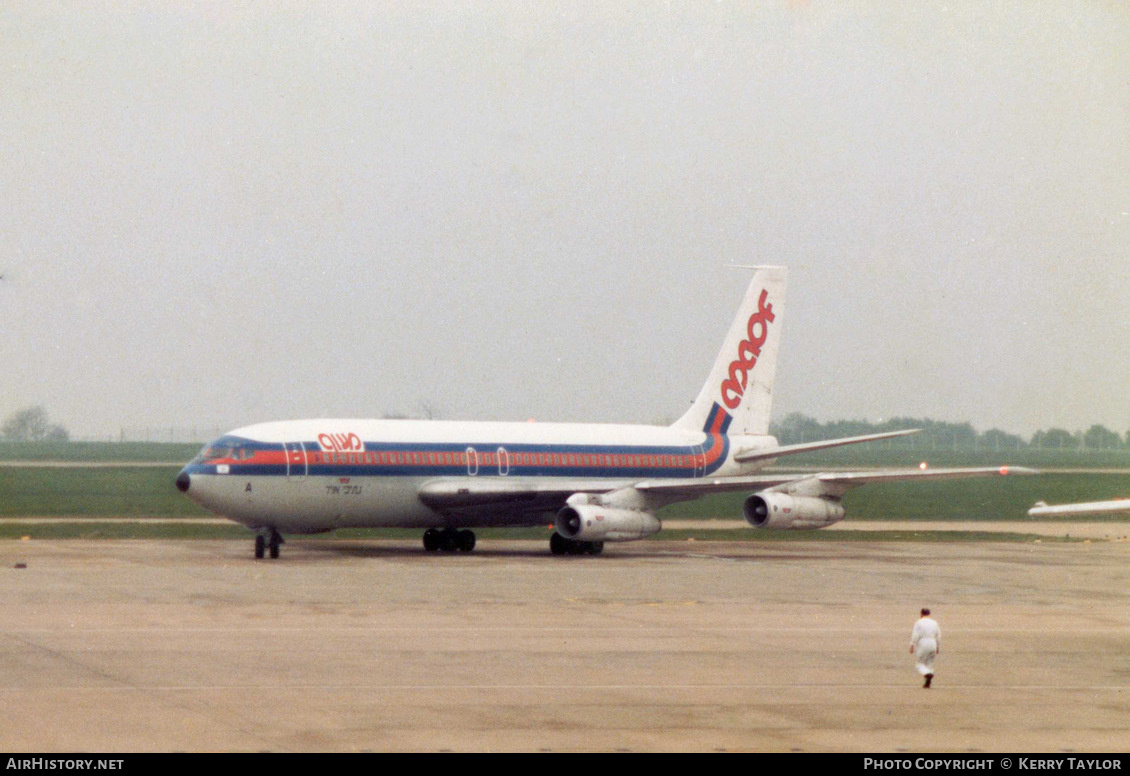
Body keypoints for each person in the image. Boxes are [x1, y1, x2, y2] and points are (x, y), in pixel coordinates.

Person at [910, 608, 941, 688]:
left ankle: (927, 674)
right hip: (933, 642)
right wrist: (938, 646)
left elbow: (915, 635)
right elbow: (938, 635)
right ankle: (928, 682)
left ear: (921, 614)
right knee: (930, 663)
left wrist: (912, 644)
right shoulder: (934, 622)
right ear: (929, 614)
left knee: (919, 663)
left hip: (923, 642)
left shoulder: (919, 622)